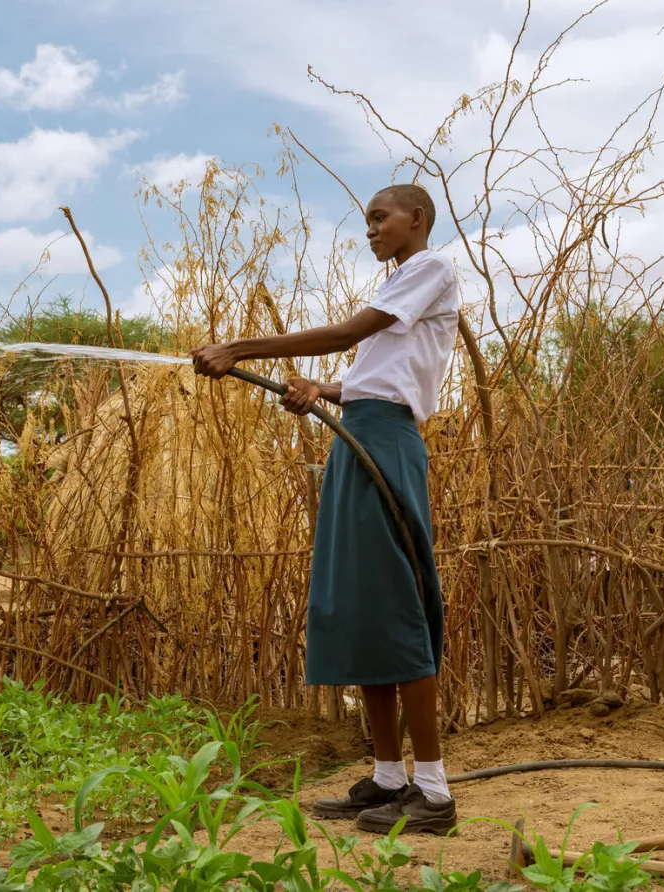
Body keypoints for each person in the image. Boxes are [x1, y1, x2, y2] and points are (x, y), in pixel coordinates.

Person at [190, 183, 461, 835]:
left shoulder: (429, 268)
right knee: (362, 606)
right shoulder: (403, 282)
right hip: (359, 435)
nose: (369, 230)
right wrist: (323, 389)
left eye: (379, 218)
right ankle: (391, 778)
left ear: (416, 219)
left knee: (396, 606)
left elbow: (351, 332)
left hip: (387, 443)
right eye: (365, 221)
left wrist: (241, 348)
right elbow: (375, 373)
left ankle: (434, 790)